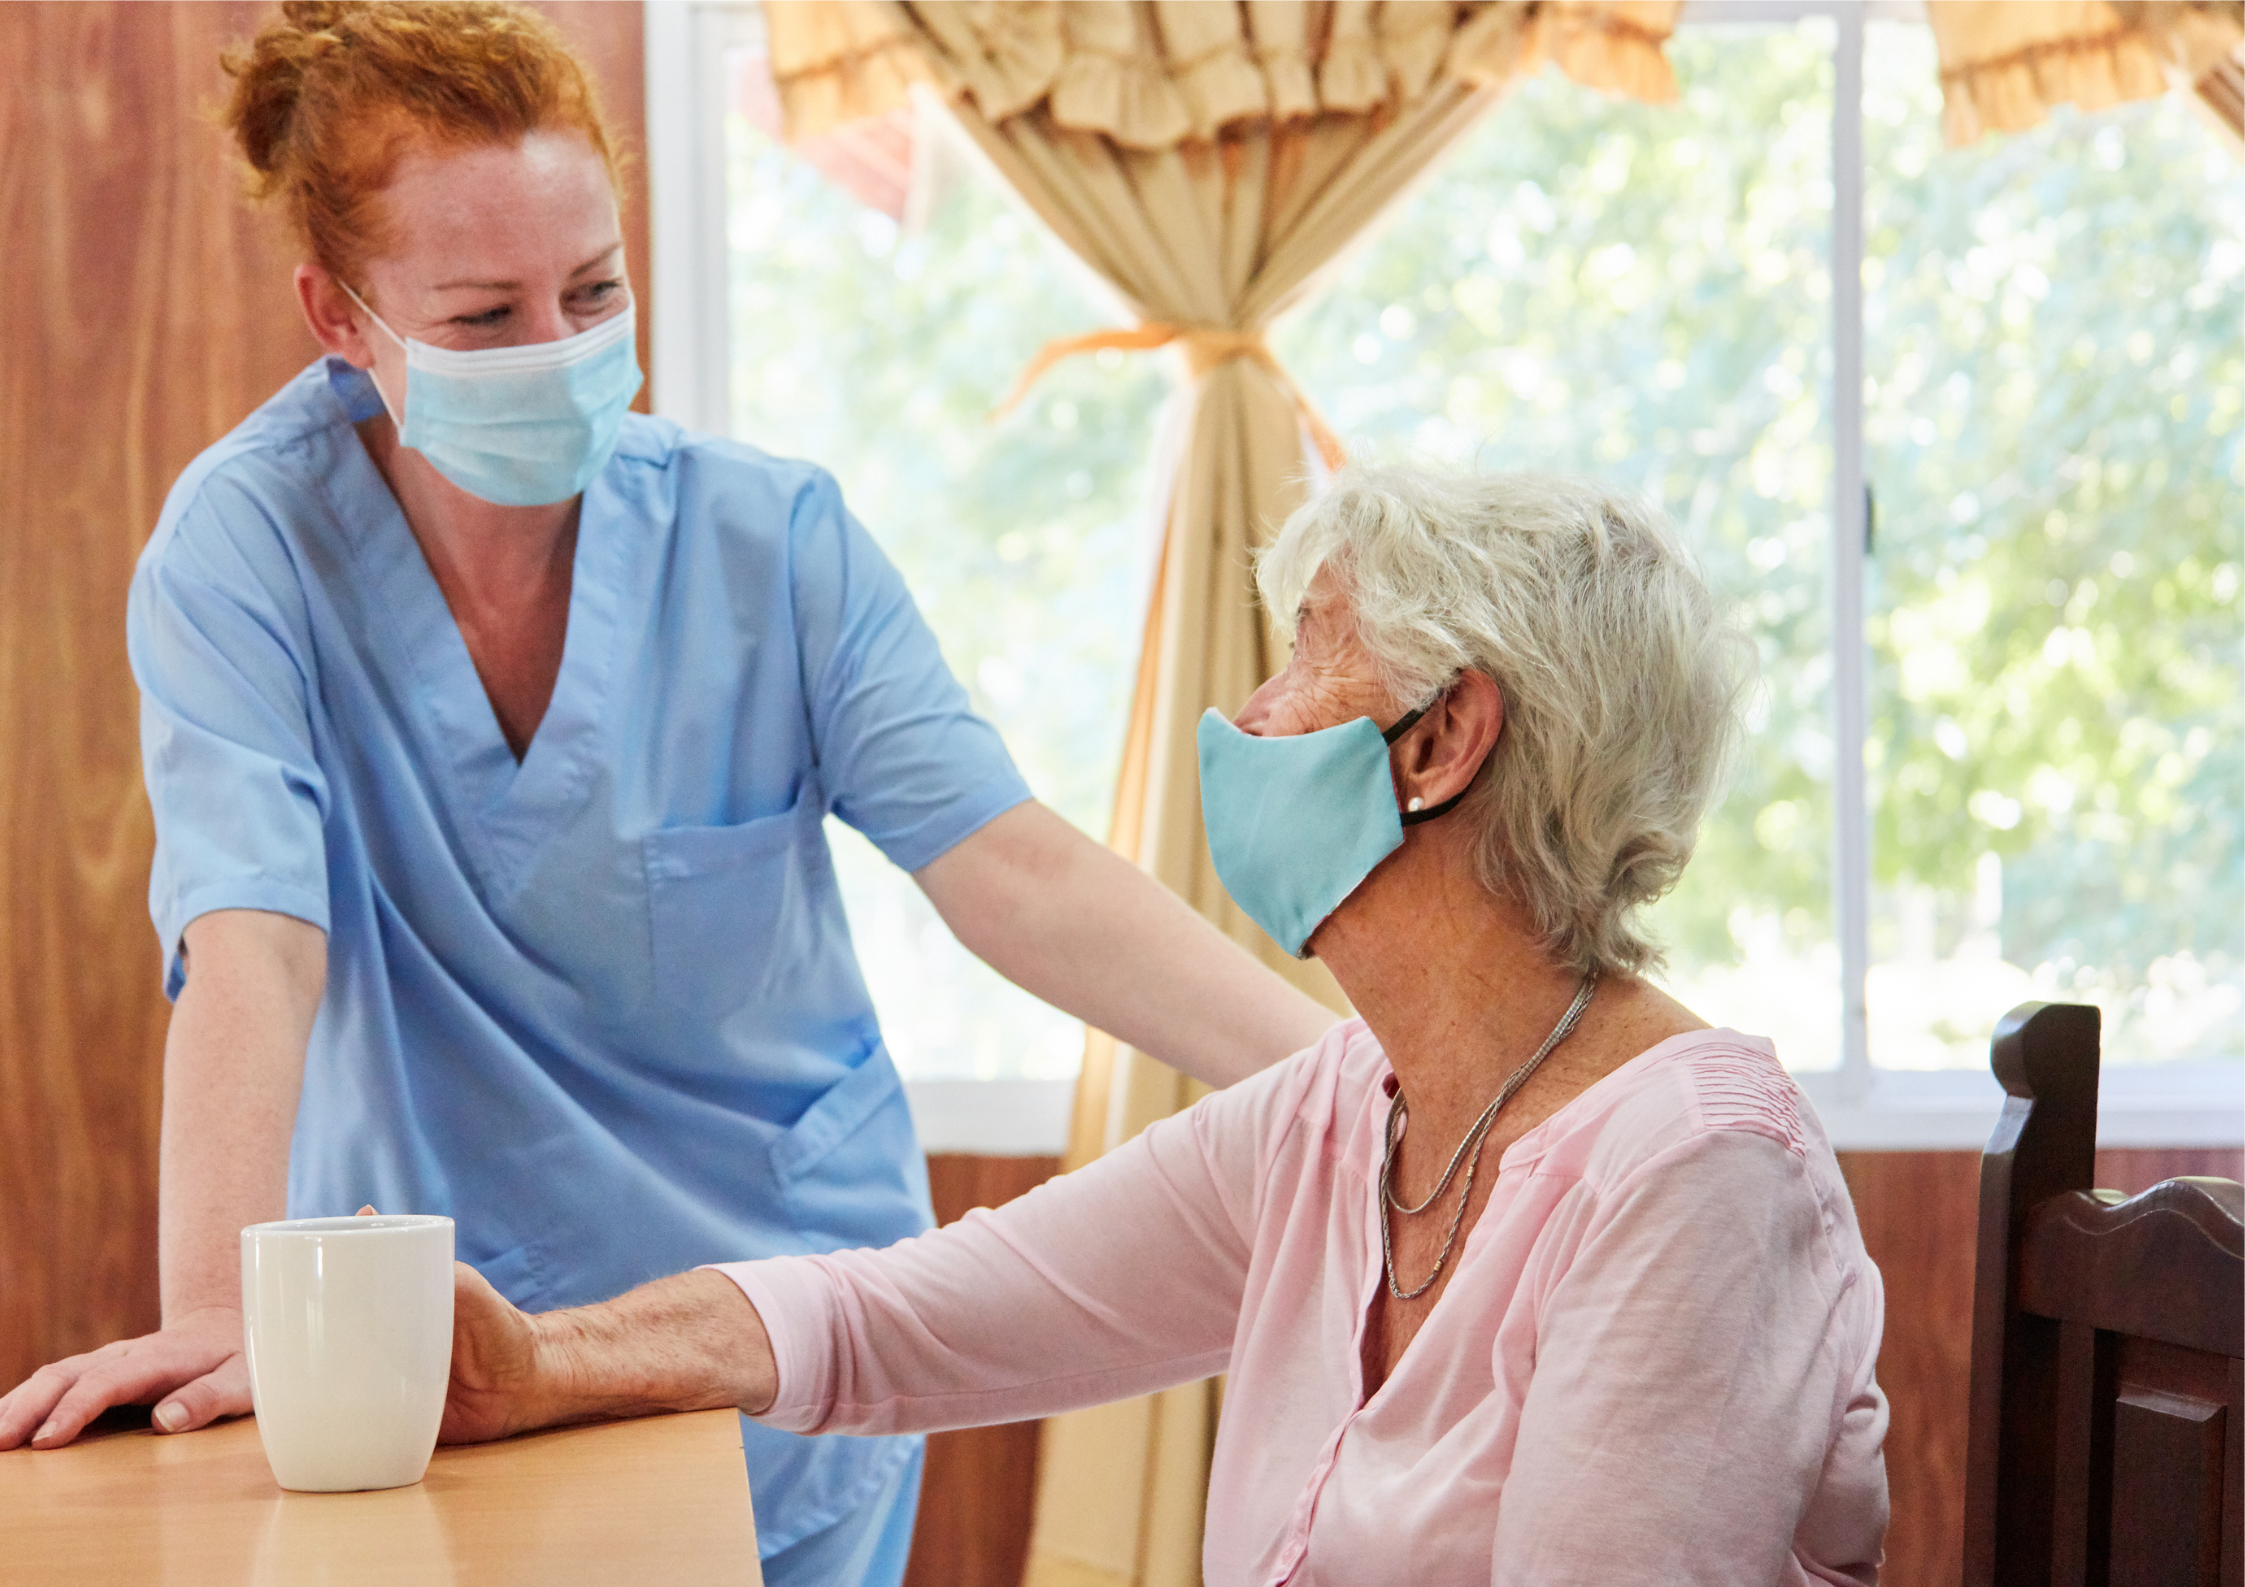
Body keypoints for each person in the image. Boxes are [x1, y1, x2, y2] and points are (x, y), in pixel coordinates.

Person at [0, 4, 1335, 1580]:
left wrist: (1372, 1077)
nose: (560, 352)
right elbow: (251, 940)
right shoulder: (245, 550)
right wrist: (223, 1318)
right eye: (485, 315)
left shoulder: (775, 542)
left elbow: (1014, 871)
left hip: (779, 1324)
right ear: (339, 316)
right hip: (431, 1359)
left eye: (595, 289)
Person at [421, 465, 1893, 1585]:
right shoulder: (1345, 1110)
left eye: (1307, 650)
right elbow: (907, 1315)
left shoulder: (1694, 1170)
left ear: (1443, 741)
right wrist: (545, 1363)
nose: (1247, 714)